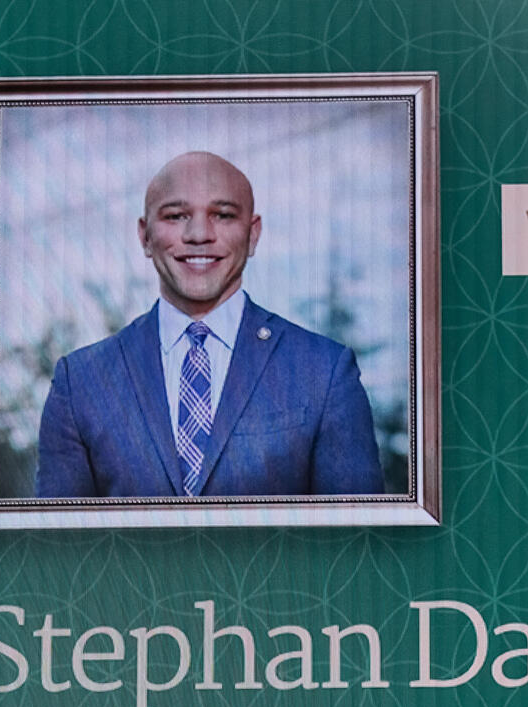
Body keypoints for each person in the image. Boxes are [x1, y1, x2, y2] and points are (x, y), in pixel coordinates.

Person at [36, 150, 384, 500]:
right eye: (175, 215)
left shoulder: (324, 372)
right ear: (145, 236)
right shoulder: (79, 383)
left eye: (222, 214)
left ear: (253, 234)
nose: (199, 234)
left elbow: (357, 547)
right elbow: (58, 550)